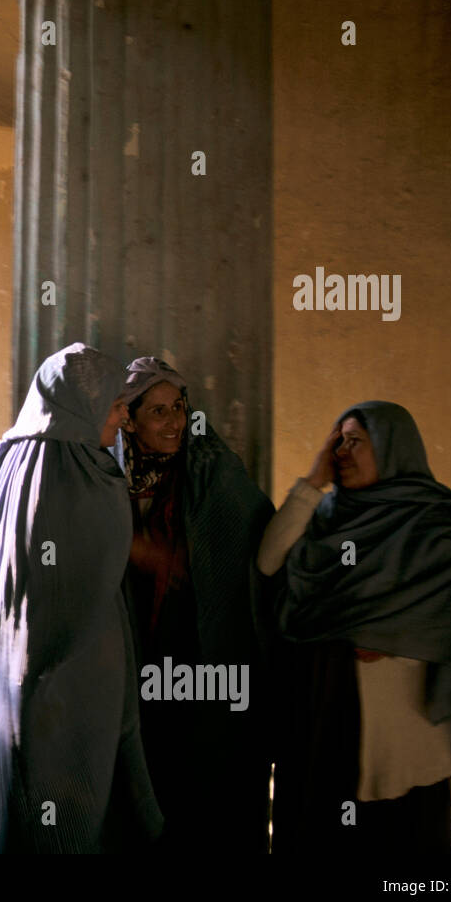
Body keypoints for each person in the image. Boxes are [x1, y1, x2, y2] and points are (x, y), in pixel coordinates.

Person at [262, 401, 451, 853]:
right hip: (325, 706)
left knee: (404, 833)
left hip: (402, 720)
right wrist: (313, 479)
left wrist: (392, 635)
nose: (342, 449)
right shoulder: (326, 515)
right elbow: (268, 561)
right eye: (336, 440)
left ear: (393, 447)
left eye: (355, 440)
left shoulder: (440, 519)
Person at [0, 342, 162, 853]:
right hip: (68, 689)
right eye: (117, 404)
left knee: (19, 804)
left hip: (9, 680)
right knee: (66, 811)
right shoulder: (81, 474)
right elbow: (84, 588)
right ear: (82, 403)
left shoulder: (14, 461)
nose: (125, 416)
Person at [114, 356, 276, 853]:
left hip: (206, 652)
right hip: (138, 652)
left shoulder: (211, 468)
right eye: (158, 411)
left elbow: (253, 542)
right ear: (130, 419)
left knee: (212, 779)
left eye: (179, 408)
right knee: (152, 774)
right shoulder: (107, 474)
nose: (174, 422)